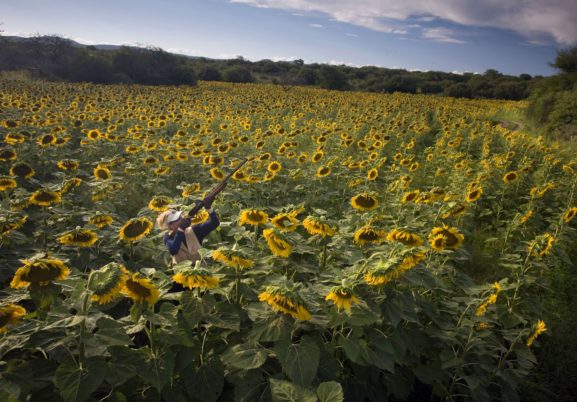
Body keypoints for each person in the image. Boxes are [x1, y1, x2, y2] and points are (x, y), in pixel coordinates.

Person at [156, 196, 220, 264]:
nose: (181, 219)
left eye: (180, 217)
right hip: (182, 273)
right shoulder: (168, 237)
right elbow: (173, 250)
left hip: (200, 269)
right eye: (177, 219)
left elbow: (214, 223)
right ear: (171, 226)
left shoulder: (194, 230)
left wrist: (209, 208)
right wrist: (180, 230)